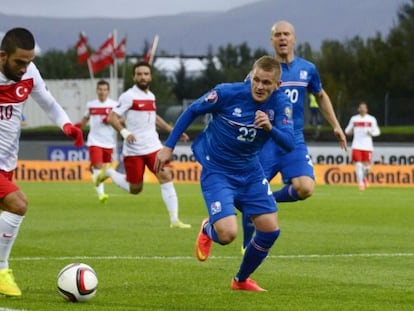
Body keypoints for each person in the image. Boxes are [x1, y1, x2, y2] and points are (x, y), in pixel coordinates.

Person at [155, 56, 295, 291]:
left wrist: (270, 128)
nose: (260, 87)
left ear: (277, 85)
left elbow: (289, 143)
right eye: (256, 80)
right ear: (251, 76)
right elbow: (192, 110)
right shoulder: (226, 93)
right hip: (218, 170)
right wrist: (168, 145)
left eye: (267, 83)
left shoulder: (281, 104)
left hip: (250, 171)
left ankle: (240, 280)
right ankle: (208, 228)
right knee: (228, 234)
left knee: (270, 229)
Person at [240, 20, 348, 251]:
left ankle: (267, 201)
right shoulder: (260, 72)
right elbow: (243, 99)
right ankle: (246, 244)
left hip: (293, 139)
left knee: (305, 188)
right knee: (249, 191)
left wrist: (336, 126)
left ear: (294, 38)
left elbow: (320, 95)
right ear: (271, 40)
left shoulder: (307, 69)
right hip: (265, 140)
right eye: (277, 35)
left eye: (286, 34)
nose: (282, 38)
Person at [0, 27, 83, 296]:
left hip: (7, 162)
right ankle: (1, 270)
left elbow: (48, 103)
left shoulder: (30, 72)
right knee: (18, 203)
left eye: (29, 62)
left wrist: (67, 125)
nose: (25, 68)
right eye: (19, 63)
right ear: (3, 56)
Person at [96, 61, 191, 229]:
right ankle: (109, 172)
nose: (143, 77)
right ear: (134, 77)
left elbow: (154, 117)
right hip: (134, 150)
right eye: (139, 74)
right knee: (135, 189)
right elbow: (112, 117)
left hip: (153, 146)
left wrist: (173, 131)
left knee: (166, 175)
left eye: (146, 74)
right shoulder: (128, 96)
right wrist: (125, 133)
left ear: (150, 76)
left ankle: (174, 220)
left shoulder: (151, 96)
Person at [76, 80, 118, 203]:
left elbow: (121, 119)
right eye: (100, 89)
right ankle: (101, 195)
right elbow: (84, 119)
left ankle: (93, 169)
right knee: (99, 167)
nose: (102, 92)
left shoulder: (114, 105)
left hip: (109, 142)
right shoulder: (91, 105)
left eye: (105, 89)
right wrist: (75, 129)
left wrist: (111, 120)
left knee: (105, 168)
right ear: (97, 90)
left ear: (108, 91)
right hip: (94, 141)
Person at [344, 101, 380, 190]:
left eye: (364, 107)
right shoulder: (354, 119)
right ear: (358, 109)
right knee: (358, 165)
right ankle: (360, 184)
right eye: (360, 107)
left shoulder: (371, 119)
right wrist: (349, 132)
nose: (362, 109)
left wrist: (371, 133)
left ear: (367, 109)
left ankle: (365, 178)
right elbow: (347, 130)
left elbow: (377, 131)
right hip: (356, 145)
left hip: (367, 146)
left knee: (367, 166)